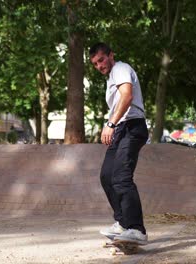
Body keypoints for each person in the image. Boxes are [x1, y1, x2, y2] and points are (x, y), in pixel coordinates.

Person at [89, 42, 149, 244]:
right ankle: (123, 223)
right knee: (107, 176)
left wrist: (110, 123)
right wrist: (113, 125)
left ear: (111, 55)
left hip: (132, 126)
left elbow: (127, 95)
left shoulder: (120, 68)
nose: (99, 66)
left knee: (122, 177)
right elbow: (118, 102)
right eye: (95, 64)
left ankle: (136, 229)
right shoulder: (111, 78)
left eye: (101, 60)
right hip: (122, 128)